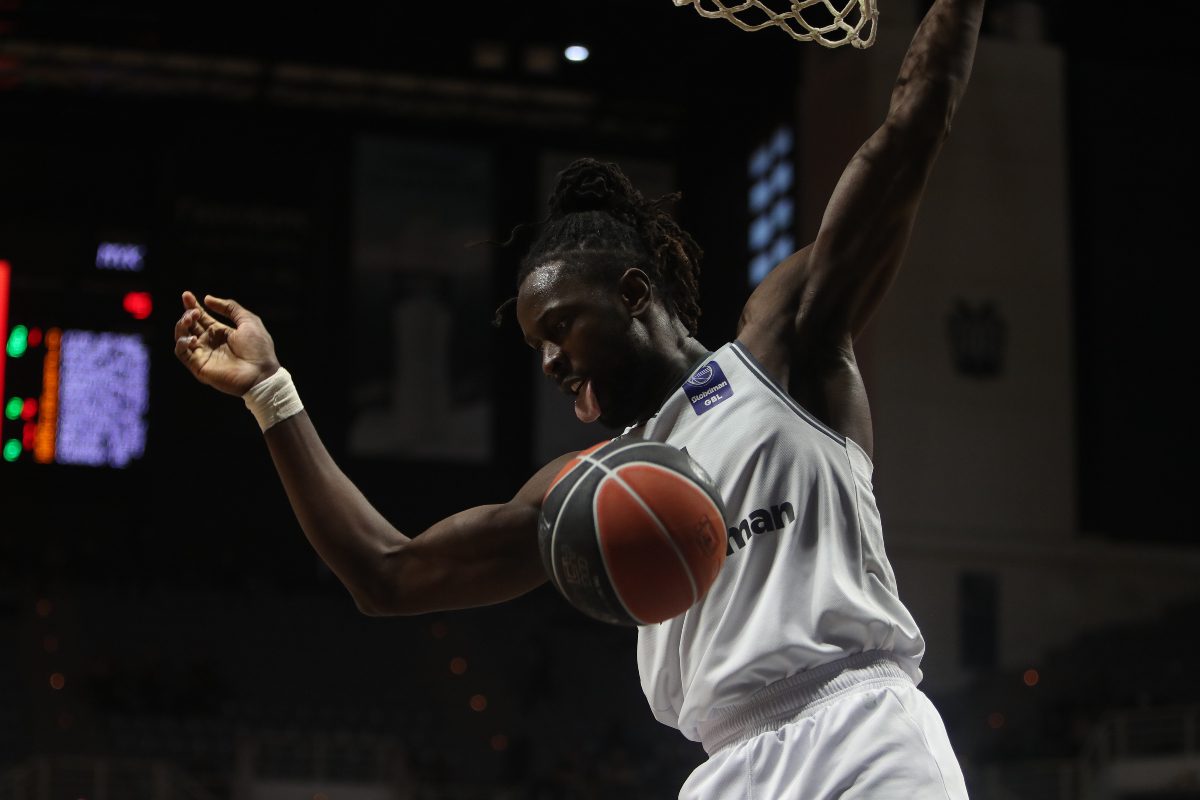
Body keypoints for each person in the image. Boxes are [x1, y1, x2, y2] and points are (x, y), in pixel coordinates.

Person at [174, 0, 984, 795]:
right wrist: (271, 394)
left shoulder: (781, 353)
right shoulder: (585, 492)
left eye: (561, 327)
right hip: (728, 769)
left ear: (634, 293)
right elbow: (388, 575)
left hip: (859, 730)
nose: (553, 360)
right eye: (538, 347)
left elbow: (912, 124)